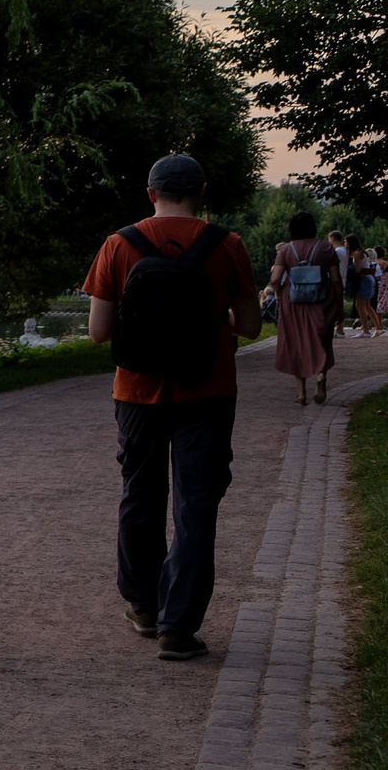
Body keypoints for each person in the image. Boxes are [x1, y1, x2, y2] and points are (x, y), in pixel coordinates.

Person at [81, 155, 261, 661]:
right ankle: (177, 625)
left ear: (150, 192)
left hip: (136, 391)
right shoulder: (226, 245)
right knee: (196, 504)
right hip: (207, 390)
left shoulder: (119, 244)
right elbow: (250, 327)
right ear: (201, 192)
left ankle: (142, 604)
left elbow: (97, 332)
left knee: (140, 492)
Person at [270, 210, 340, 405]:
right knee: (322, 339)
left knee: (295, 343)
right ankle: (320, 374)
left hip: (292, 303)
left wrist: (279, 292)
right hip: (321, 300)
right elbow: (336, 280)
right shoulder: (326, 248)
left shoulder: (286, 250)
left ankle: (301, 394)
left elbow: (275, 279)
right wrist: (339, 303)